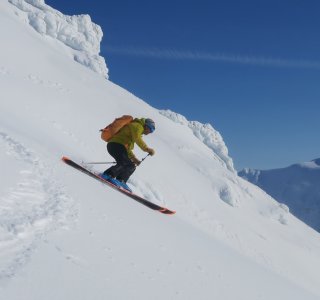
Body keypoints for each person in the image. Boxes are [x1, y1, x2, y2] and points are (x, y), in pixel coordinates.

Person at [100, 118, 155, 191]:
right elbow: (137, 139)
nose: (149, 132)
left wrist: (134, 159)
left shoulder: (135, 130)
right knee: (124, 163)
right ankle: (107, 175)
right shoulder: (138, 126)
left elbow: (127, 148)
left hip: (119, 146)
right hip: (116, 144)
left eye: (152, 131)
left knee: (131, 166)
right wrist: (147, 149)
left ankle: (121, 180)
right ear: (146, 126)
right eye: (150, 129)